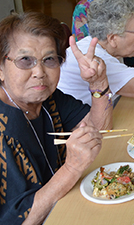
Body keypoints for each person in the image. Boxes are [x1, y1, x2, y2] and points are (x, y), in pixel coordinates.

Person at [0, 11, 112, 223]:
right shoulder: (4, 132)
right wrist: (71, 169)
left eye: (49, 59)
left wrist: (98, 85)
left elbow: (97, 131)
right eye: (25, 60)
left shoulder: (46, 98)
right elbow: (21, 220)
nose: (39, 72)